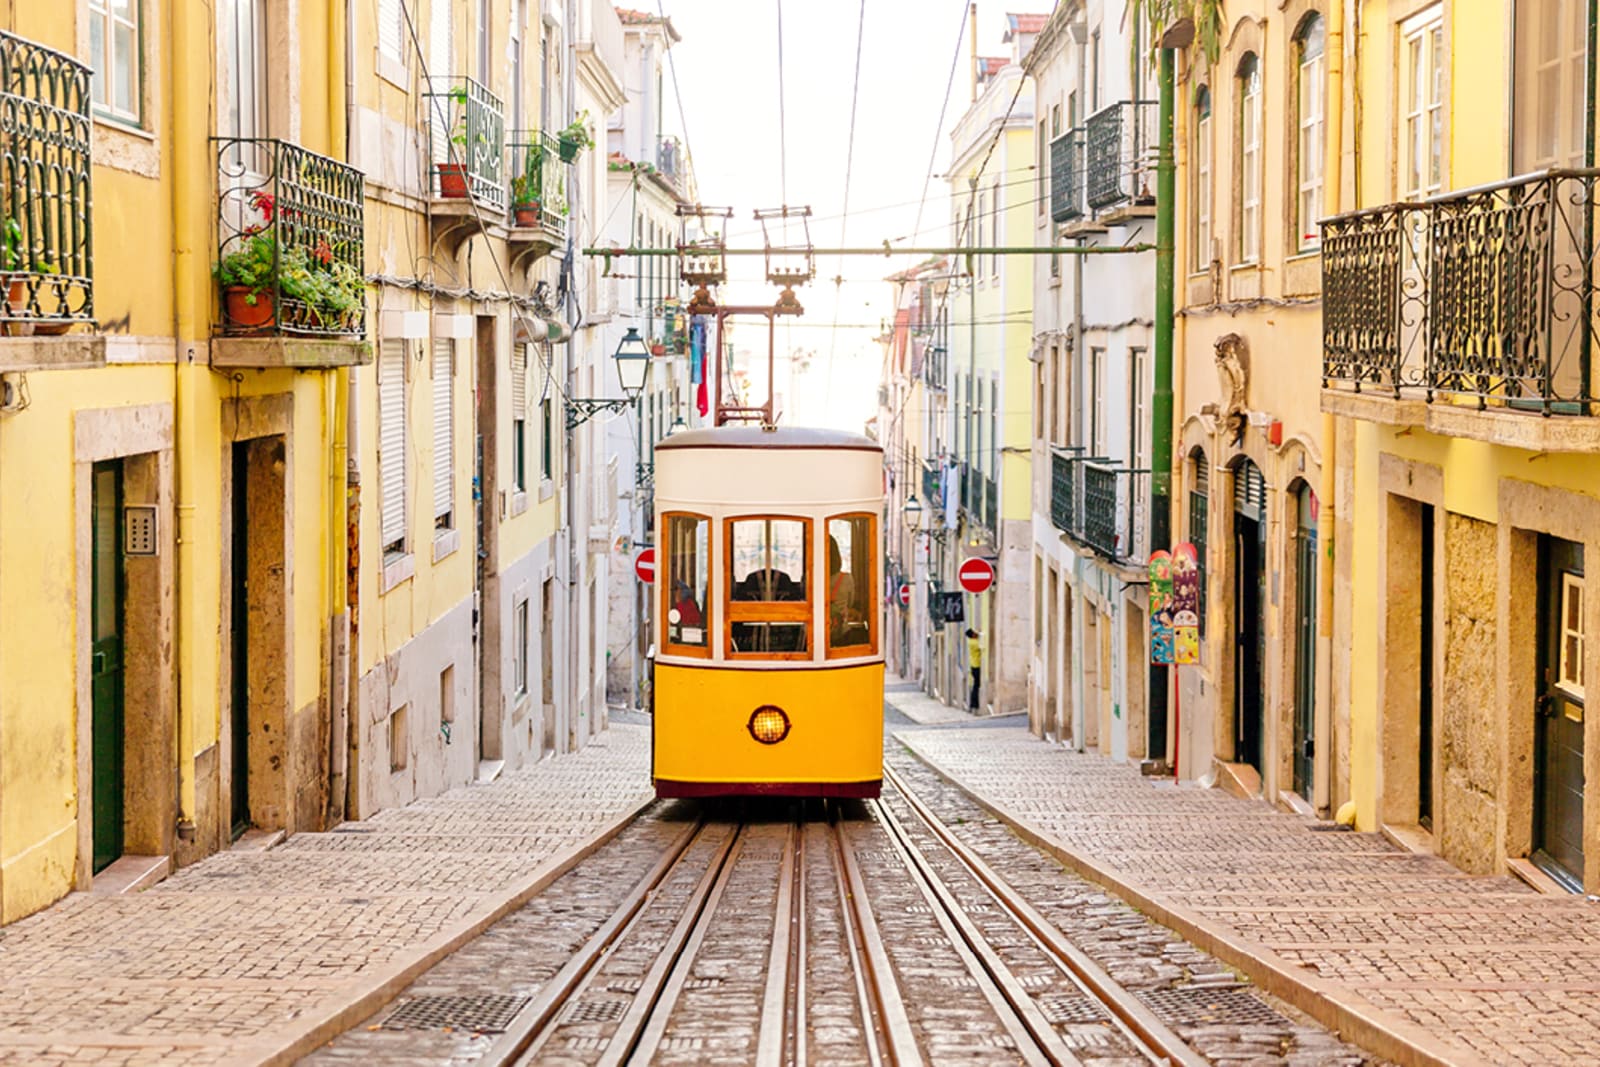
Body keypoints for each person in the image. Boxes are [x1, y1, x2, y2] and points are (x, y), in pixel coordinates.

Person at [828, 536, 857, 643]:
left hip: (814, 633)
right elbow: (850, 603)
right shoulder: (846, 578)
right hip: (841, 634)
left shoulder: (808, 578)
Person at [966, 627, 983, 711]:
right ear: (972, 635)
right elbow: (981, 645)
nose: (975, 633)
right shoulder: (974, 642)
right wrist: (980, 634)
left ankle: (973, 704)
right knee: (976, 686)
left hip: (974, 666)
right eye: (974, 632)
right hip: (976, 666)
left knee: (975, 685)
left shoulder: (971, 641)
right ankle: (974, 704)